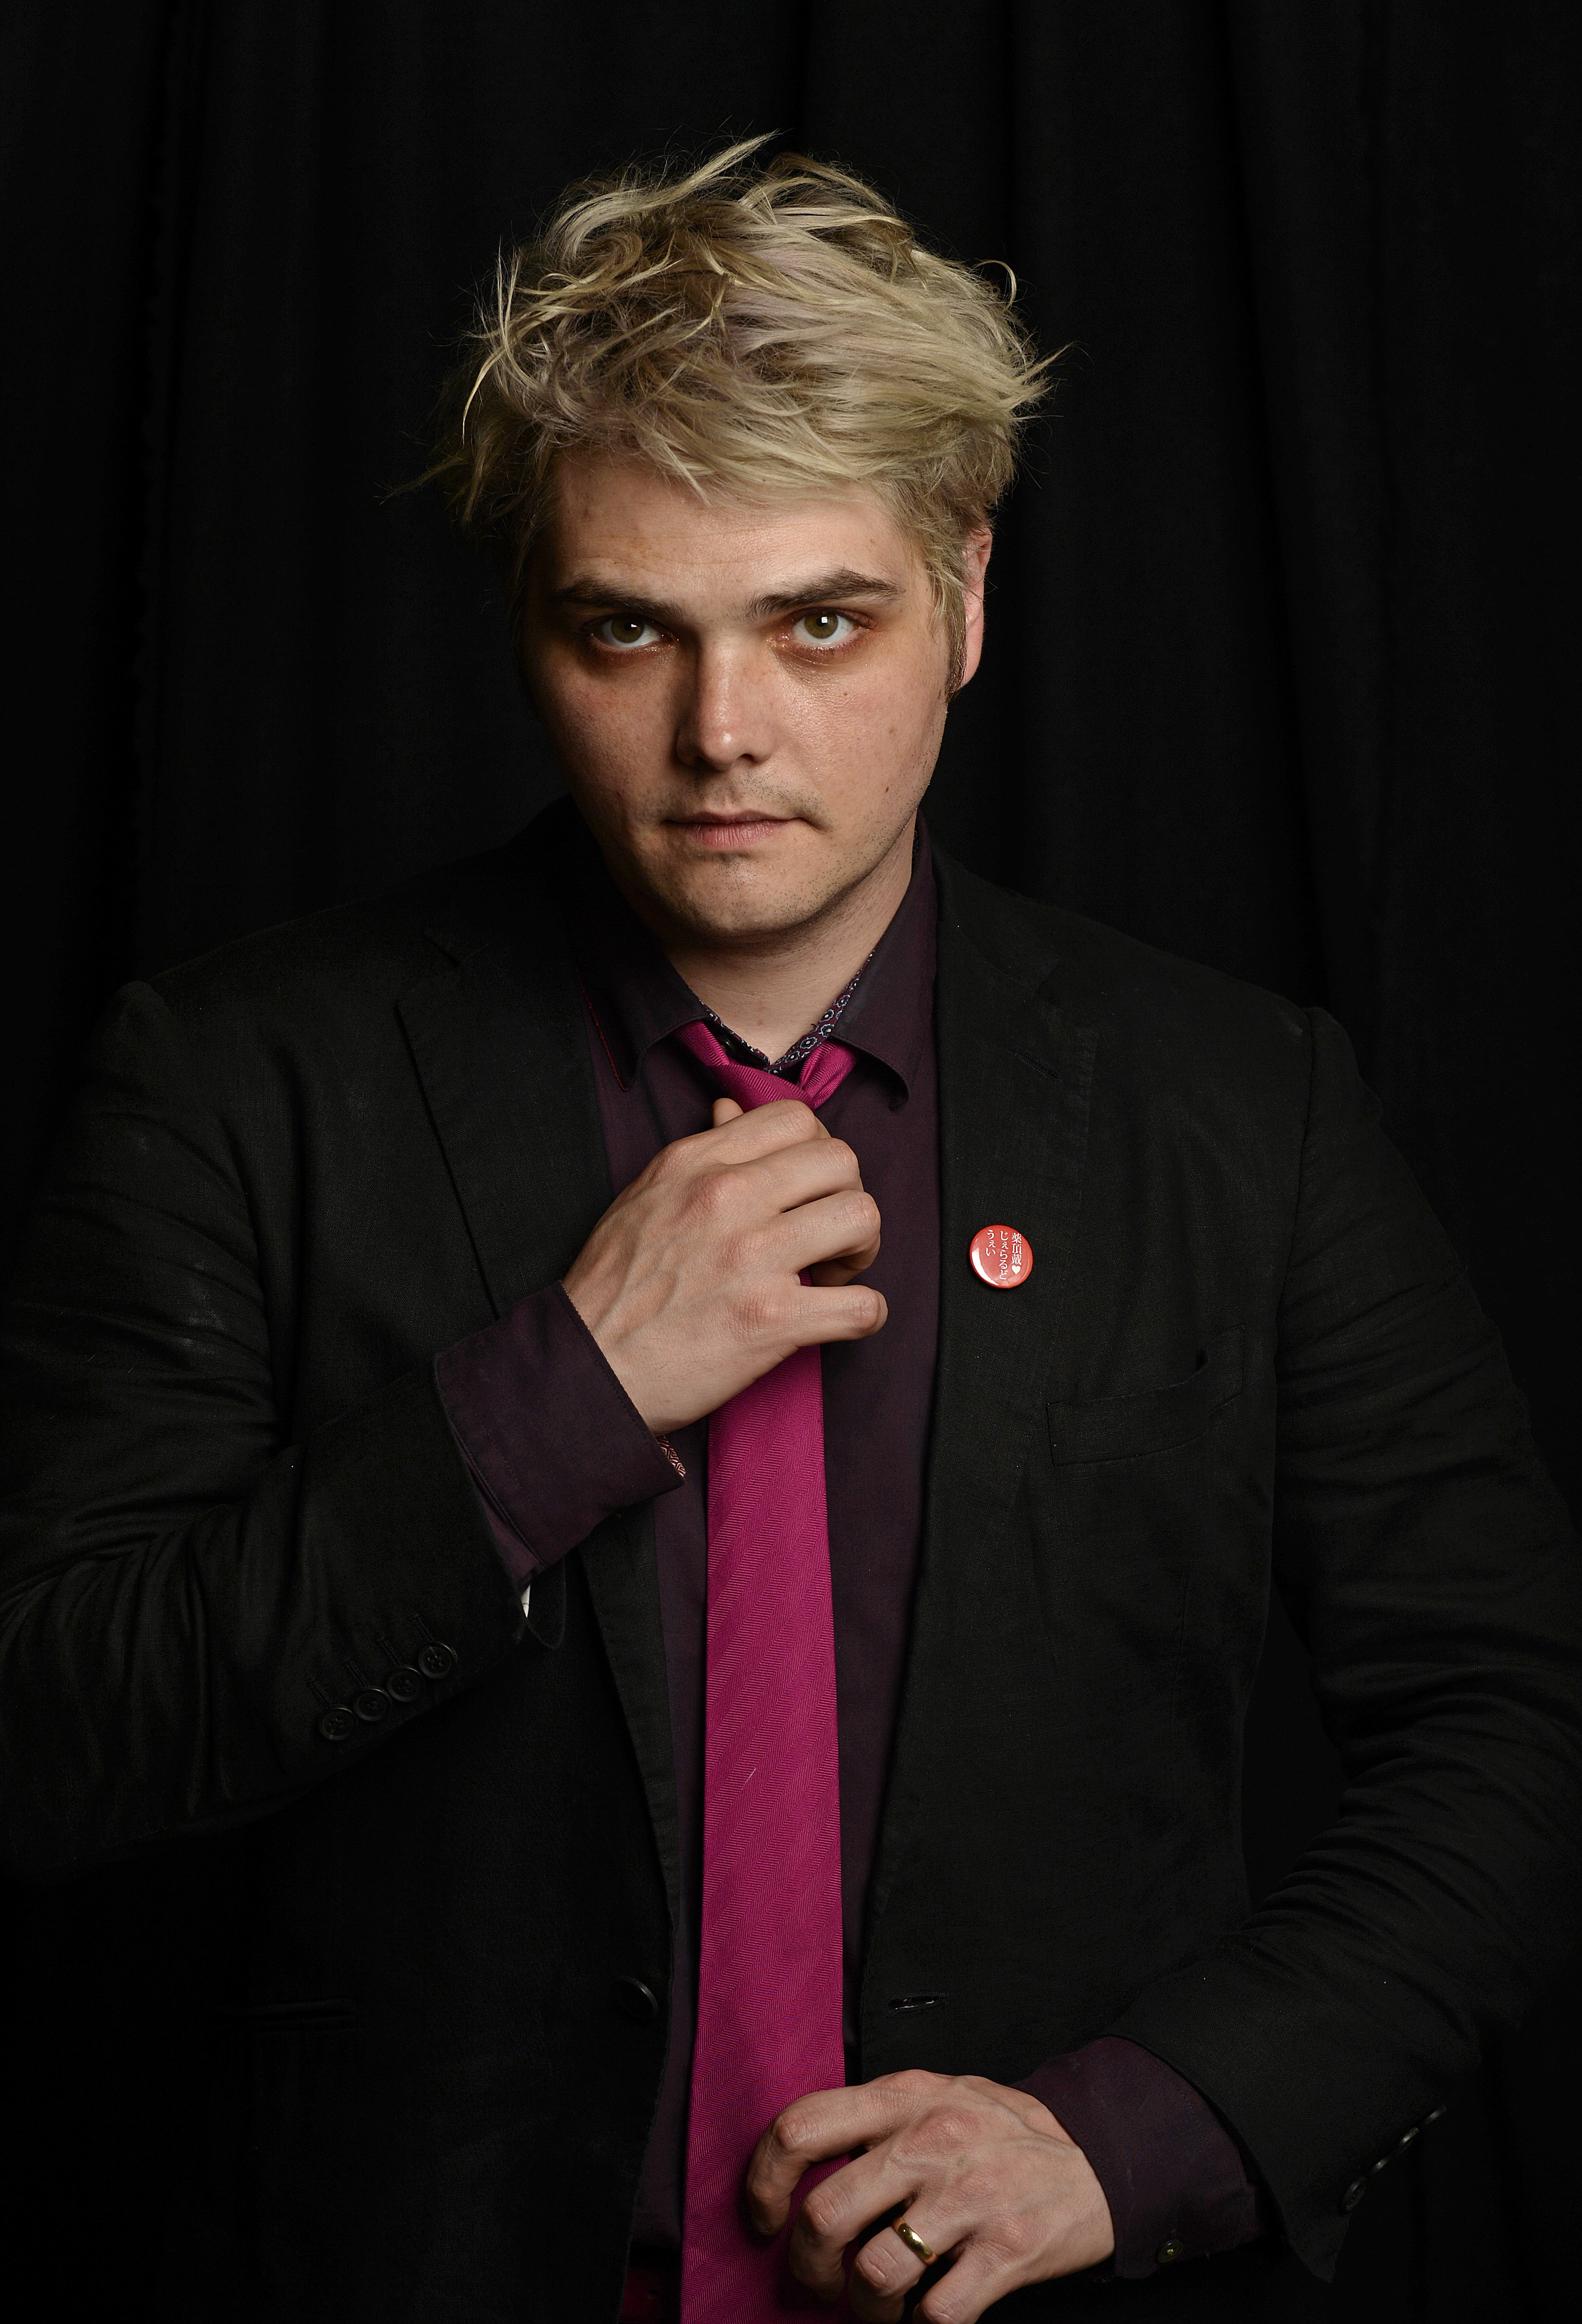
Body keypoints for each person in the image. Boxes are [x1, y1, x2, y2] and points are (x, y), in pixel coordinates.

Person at [1, 140, 1578, 2324]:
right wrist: (549, 1397)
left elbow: (1506, 1729)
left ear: (963, 594)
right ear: (529, 625)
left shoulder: (1240, 1105)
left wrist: (1129, 2134)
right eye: (624, 626)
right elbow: (57, 1725)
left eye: (814, 620)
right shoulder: (241, 1075)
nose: (719, 732)